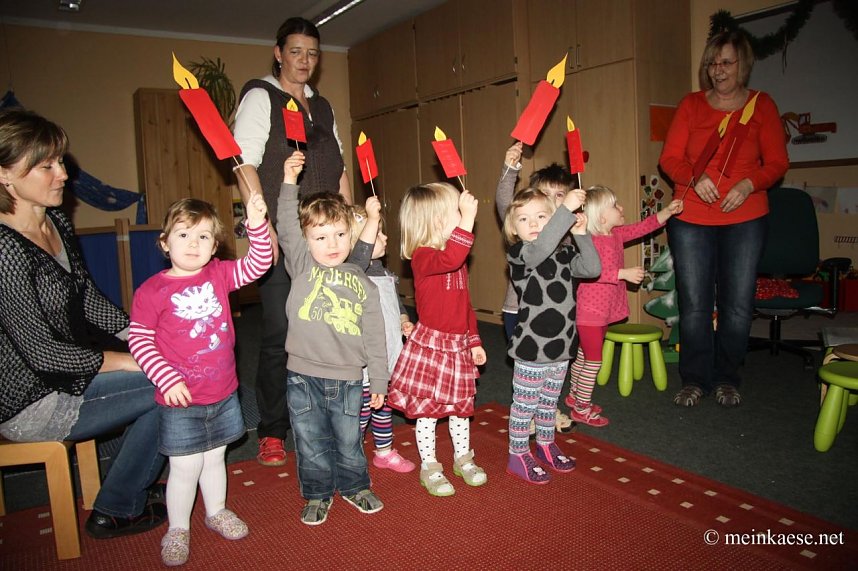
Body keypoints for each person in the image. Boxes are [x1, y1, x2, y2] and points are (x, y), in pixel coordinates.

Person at [0, 107, 167, 539]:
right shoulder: (5, 249)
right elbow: (41, 352)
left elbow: (90, 300)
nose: (62, 175)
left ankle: (125, 487)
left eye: (60, 162)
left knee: (168, 366)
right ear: (4, 175)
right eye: (46, 166)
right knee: (167, 385)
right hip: (34, 400)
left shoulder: (53, 220)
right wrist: (133, 361)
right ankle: (119, 506)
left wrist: (145, 338)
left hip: (70, 376)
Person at [233, 16, 352, 467]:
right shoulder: (261, 96)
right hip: (285, 231)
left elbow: (339, 168)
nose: (305, 61)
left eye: (313, 53)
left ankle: (323, 419)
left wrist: (354, 223)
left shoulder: (322, 108)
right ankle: (273, 430)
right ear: (279, 53)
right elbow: (242, 162)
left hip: (330, 234)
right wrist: (263, 228)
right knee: (281, 334)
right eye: (296, 51)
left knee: (331, 326)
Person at [128, 196, 272, 565]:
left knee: (215, 458)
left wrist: (256, 223)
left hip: (222, 393)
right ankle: (178, 528)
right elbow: (140, 340)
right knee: (185, 466)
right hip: (180, 400)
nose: (194, 244)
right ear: (165, 242)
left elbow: (259, 263)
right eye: (184, 234)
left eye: (204, 236)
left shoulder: (219, 274)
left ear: (215, 246)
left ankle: (217, 511)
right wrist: (166, 378)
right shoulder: (150, 291)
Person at [659, 30, 789, 407]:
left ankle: (727, 378)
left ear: (743, 64)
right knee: (695, 303)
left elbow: (778, 163)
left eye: (727, 63)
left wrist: (749, 184)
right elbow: (669, 159)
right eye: (713, 63)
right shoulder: (691, 105)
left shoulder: (763, 106)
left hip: (746, 217)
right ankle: (695, 379)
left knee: (737, 305)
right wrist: (694, 178)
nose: (718, 71)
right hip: (692, 217)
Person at [277, 151, 387, 526]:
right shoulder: (302, 265)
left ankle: (356, 486)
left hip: (348, 378)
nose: (332, 243)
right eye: (320, 236)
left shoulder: (361, 278)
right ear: (306, 241)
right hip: (302, 376)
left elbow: (375, 334)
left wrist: (380, 379)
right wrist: (289, 181)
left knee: (348, 441)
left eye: (340, 234)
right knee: (309, 443)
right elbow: (287, 227)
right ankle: (318, 494)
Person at [387, 183, 488, 497]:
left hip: (457, 346)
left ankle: (463, 457)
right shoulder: (424, 257)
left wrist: (474, 341)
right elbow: (452, 258)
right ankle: (429, 464)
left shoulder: (456, 263)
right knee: (428, 412)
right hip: (432, 347)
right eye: (455, 213)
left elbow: (465, 306)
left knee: (460, 409)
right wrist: (468, 220)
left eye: (461, 213)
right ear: (432, 221)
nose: (461, 217)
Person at [503, 187, 600, 484]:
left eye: (541, 216)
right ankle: (517, 453)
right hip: (532, 349)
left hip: (561, 347)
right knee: (525, 405)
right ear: (513, 229)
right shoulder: (521, 254)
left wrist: (581, 234)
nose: (533, 224)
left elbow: (593, 268)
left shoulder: (564, 253)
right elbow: (540, 248)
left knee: (548, 403)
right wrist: (564, 212)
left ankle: (545, 444)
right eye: (524, 219)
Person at [567, 186, 683, 426]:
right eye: (615, 205)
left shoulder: (616, 234)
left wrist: (667, 212)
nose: (621, 208)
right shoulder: (590, 241)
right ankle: (581, 407)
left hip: (602, 312)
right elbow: (591, 272)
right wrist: (623, 273)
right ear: (601, 217)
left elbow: (643, 227)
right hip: (589, 312)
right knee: (593, 360)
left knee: (583, 354)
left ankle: (574, 395)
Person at [496, 142, 576, 434]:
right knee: (528, 369)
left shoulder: (566, 233)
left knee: (553, 366)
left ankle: (548, 408)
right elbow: (505, 200)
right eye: (547, 195)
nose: (554, 202)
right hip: (518, 310)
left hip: (554, 317)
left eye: (560, 196)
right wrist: (510, 169)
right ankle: (526, 413)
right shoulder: (524, 223)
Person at [348, 199, 416, 473]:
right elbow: (359, 256)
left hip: (388, 355)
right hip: (366, 362)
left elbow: (394, 303)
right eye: (377, 233)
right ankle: (350, 453)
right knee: (362, 411)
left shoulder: (384, 272)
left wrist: (403, 319)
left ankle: (384, 451)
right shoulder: (356, 269)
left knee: (384, 406)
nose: (385, 237)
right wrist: (371, 220)